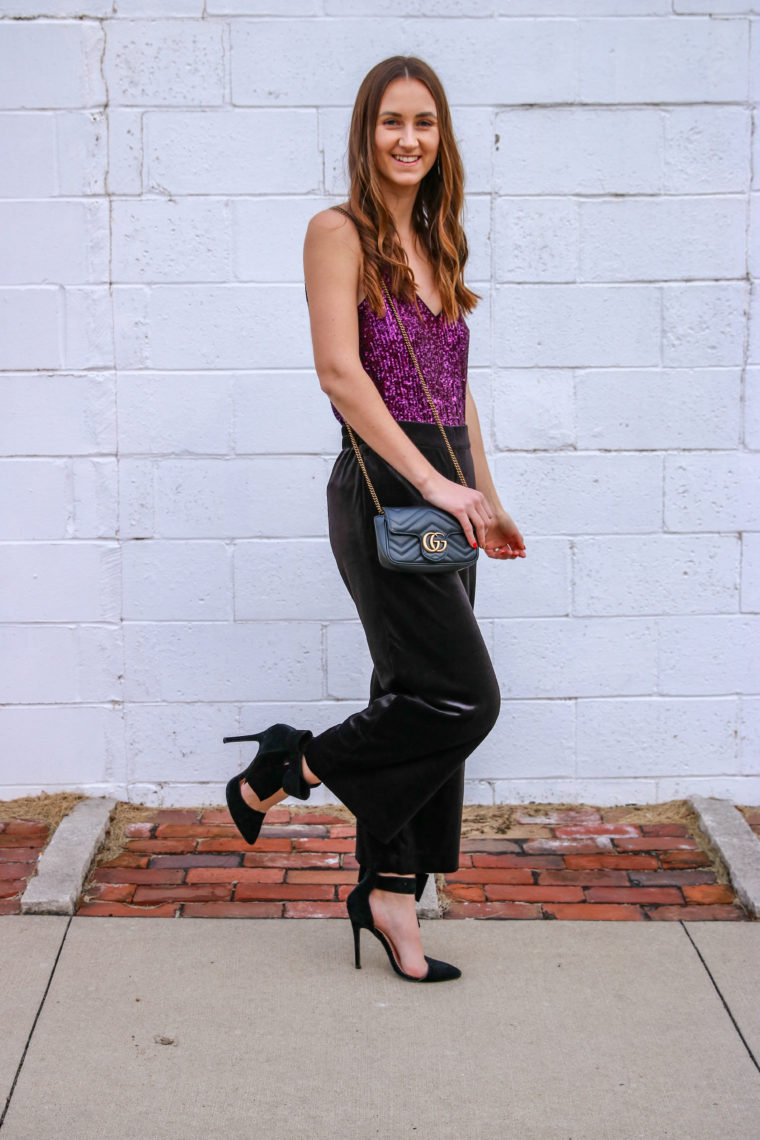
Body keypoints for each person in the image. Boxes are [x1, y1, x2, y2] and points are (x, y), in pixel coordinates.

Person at [223, 56, 526, 983]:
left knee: (413, 697)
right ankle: (287, 768)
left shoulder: (440, 244)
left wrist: (484, 490)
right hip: (386, 487)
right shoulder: (336, 232)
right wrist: (432, 484)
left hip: (448, 491)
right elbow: (341, 376)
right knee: (464, 699)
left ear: (443, 140)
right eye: (392, 122)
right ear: (366, 133)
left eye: (425, 124)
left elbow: (455, 391)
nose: (409, 139)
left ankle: (393, 894)